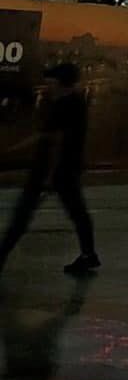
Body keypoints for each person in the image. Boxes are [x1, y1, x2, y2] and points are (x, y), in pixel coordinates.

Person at [0, 64, 100, 276]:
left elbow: (54, 140)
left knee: (22, 215)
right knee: (78, 213)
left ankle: (1, 255)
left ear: (60, 82)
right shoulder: (75, 102)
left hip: (51, 170)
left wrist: (48, 174)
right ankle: (88, 255)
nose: (47, 84)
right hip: (65, 170)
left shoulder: (64, 105)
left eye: (51, 80)